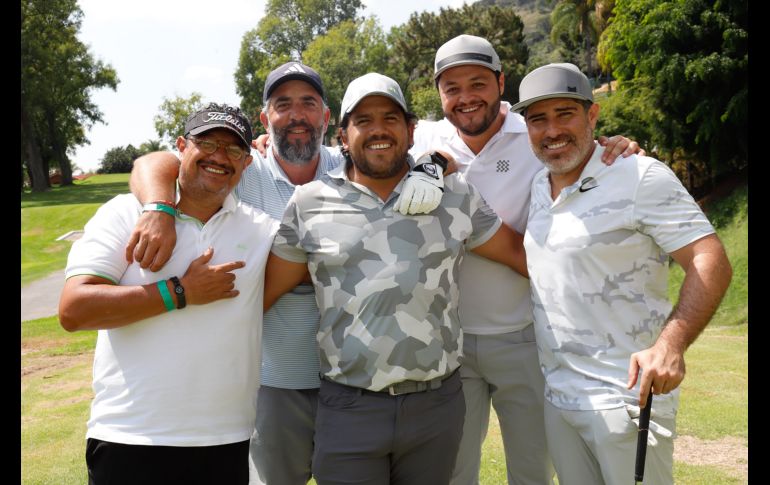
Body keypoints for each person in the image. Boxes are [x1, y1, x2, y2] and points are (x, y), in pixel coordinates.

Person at [125, 62, 444, 485]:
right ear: (265, 118)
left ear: (327, 117)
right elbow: (158, 162)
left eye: (308, 103)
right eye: (283, 104)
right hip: (274, 380)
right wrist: (159, 207)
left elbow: (408, 154)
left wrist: (436, 163)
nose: (297, 115)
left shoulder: (351, 163)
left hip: (357, 382)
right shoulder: (241, 168)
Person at [263, 72, 528, 485]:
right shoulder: (310, 204)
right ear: (343, 136)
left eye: (390, 118)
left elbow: (520, 255)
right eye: (363, 120)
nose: (378, 130)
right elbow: (262, 295)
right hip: (349, 405)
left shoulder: (455, 195)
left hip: (436, 406)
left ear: (410, 130)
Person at [409, 34, 642, 485]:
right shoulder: (425, 138)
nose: (465, 98)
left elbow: (584, 154)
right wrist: (264, 146)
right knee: (451, 471)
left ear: (501, 82)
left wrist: (621, 146)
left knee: (532, 470)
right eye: (451, 88)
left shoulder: (533, 133)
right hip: (448, 344)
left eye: (477, 83)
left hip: (525, 336)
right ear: (438, 93)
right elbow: (361, 155)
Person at [514, 62, 732, 484]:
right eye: (538, 119)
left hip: (628, 400)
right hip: (560, 401)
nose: (552, 130)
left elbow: (711, 259)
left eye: (565, 114)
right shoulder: (539, 187)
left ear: (592, 115)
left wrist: (671, 345)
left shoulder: (638, 176)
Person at [58, 103, 278, 485]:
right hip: (130, 437)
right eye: (207, 142)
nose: (219, 156)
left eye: (234, 150)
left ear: (246, 163)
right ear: (181, 146)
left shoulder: (262, 231)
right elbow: (74, 309)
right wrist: (180, 291)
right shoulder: (125, 213)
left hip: (227, 441)